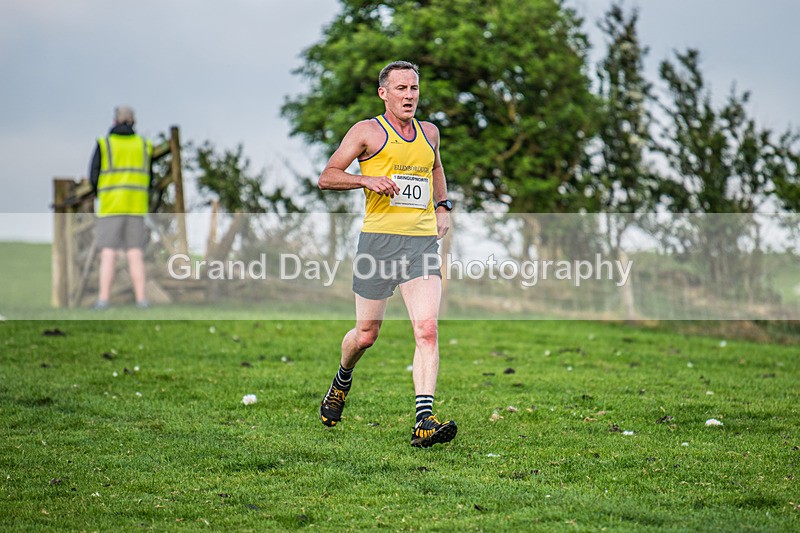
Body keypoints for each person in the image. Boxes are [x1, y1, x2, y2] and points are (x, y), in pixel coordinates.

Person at [317, 61, 457, 448]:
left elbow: (436, 167)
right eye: (401, 89)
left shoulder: (430, 132)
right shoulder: (367, 131)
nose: (409, 95)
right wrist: (366, 179)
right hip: (378, 244)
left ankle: (424, 420)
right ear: (384, 93)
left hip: (420, 244)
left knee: (427, 330)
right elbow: (327, 176)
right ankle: (342, 379)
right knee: (366, 335)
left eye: (414, 88)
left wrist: (442, 205)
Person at [89, 106, 153, 309]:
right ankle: (142, 300)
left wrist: (101, 194)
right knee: (135, 253)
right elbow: (150, 177)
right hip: (136, 206)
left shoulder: (105, 144)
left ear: (115, 121)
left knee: (108, 253)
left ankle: (103, 300)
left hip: (111, 206)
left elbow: (93, 176)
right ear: (133, 122)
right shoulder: (143, 145)